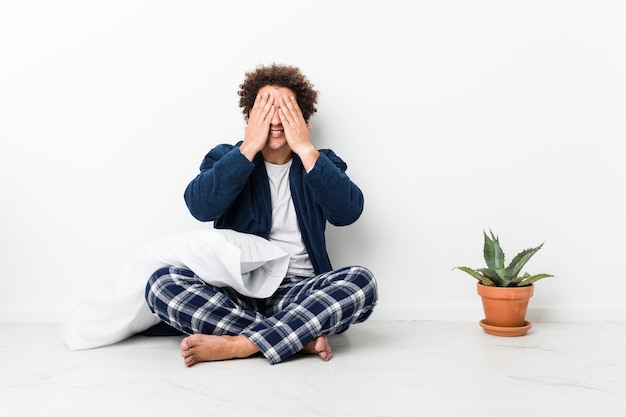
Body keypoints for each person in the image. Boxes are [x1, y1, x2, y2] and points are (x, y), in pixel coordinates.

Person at [144, 63, 378, 366]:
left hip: (299, 293)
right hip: (235, 290)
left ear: (302, 116)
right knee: (161, 284)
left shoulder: (320, 161)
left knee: (362, 282)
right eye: (266, 108)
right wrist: (248, 149)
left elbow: (348, 212)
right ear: (250, 116)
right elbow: (200, 207)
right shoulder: (225, 157)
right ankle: (293, 338)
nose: (276, 118)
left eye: (286, 108)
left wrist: (307, 150)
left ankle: (239, 344)